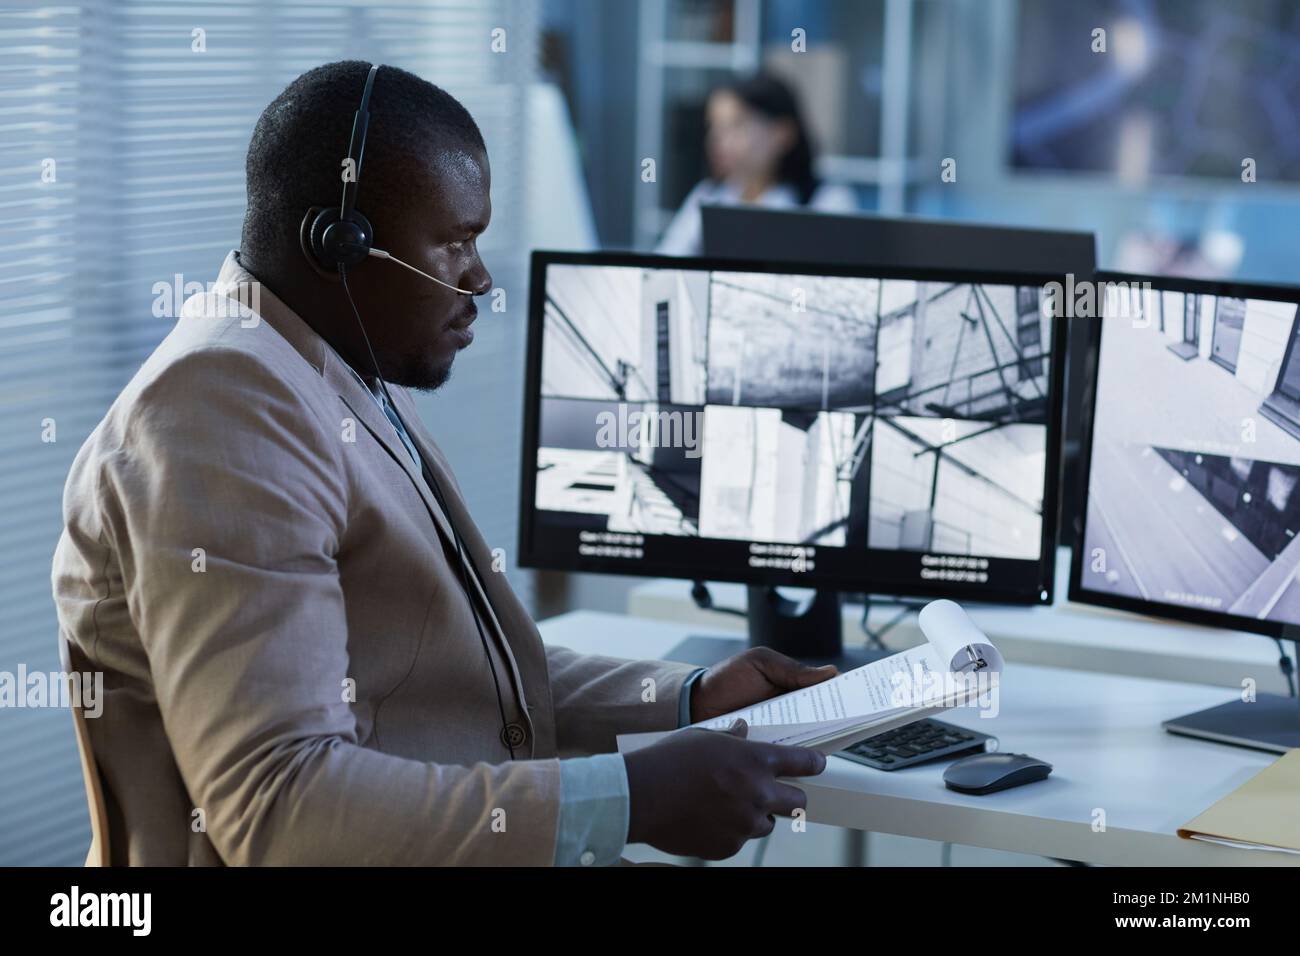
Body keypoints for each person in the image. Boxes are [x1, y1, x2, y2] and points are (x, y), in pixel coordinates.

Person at [51, 61, 835, 866]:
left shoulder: (322, 362)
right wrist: (630, 800)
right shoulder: (219, 412)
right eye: (455, 240)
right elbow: (282, 809)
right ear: (340, 244)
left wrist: (687, 699)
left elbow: (453, 671)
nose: (481, 277)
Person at [657, 72, 858, 256]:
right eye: (714, 126)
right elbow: (665, 267)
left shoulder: (827, 202)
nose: (718, 139)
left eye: (736, 125)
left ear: (783, 133)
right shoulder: (708, 196)